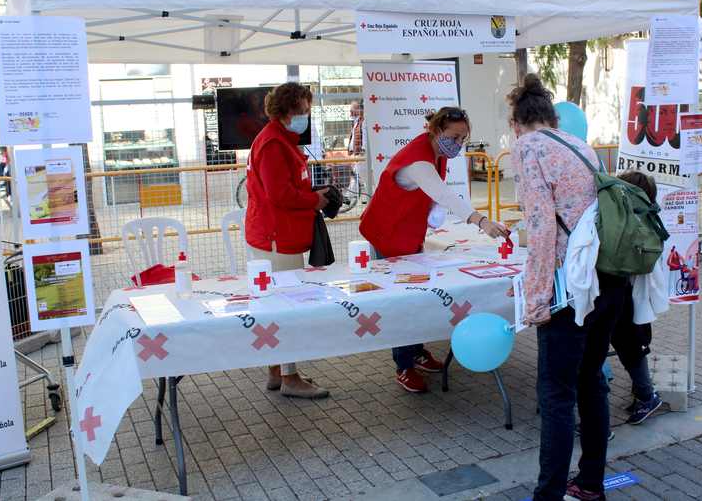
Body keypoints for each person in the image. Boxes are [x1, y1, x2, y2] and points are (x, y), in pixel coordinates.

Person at [508, 74, 628, 501]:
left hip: (570, 289)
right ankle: (591, 483)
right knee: (591, 380)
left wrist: (536, 299)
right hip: (609, 278)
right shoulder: (581, 145)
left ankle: (549, 495)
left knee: (556, 395)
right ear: (551, 116)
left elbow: (541, 230)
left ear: (517, 122)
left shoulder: (527, 147)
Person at [360, 107, 509, 393]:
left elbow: (434, 196)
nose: (458, 144)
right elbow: (444, 193)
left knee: (416, 298)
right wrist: (481, 221)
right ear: (436, 131)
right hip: (387, 234)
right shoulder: (419, 160)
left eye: (463, 139)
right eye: (454, 137)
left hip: (407, 234)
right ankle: (404, 365)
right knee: (401, 302)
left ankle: (416, 351)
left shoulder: (435, 153)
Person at [245, 82, 330, 399]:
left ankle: (276, 370)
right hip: (276, 237)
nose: (306, 116)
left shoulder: (279, 139)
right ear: (285, 111)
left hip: (272, 235)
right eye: (302, 111)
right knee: (286, 305)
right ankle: (290, 377)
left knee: (272, 304)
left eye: (307, 111)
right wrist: (313, 201)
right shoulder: (274, 144)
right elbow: (279, 194)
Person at [610, 171, 663, 426]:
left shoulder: (637, 223)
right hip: (630, 296)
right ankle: (643, 393)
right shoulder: (644, 218)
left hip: (629, 296)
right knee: (629, 347)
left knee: (631, 348)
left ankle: (646, 395)